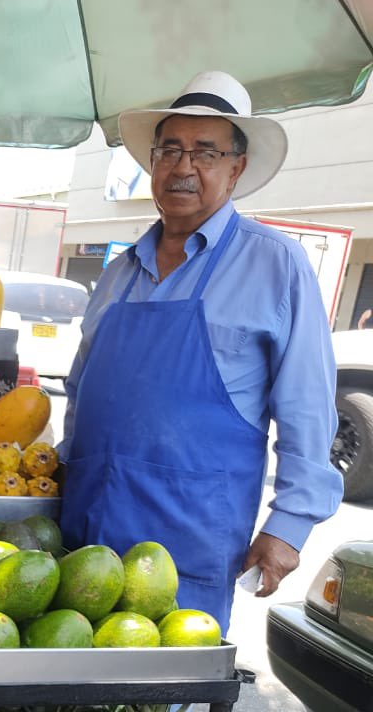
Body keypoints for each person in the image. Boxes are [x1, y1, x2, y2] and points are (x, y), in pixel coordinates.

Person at [60, 71, 342, 631]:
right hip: (83, 539)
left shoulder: (275, 265)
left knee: (159, 711)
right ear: (152, 162)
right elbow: (77, 394)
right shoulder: (118, 273)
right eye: (170, 149)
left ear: (236, 168)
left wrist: (288, 524)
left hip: (188, 546)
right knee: (63, 708)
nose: (183, 167)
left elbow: (308, 407)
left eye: (205, 152)